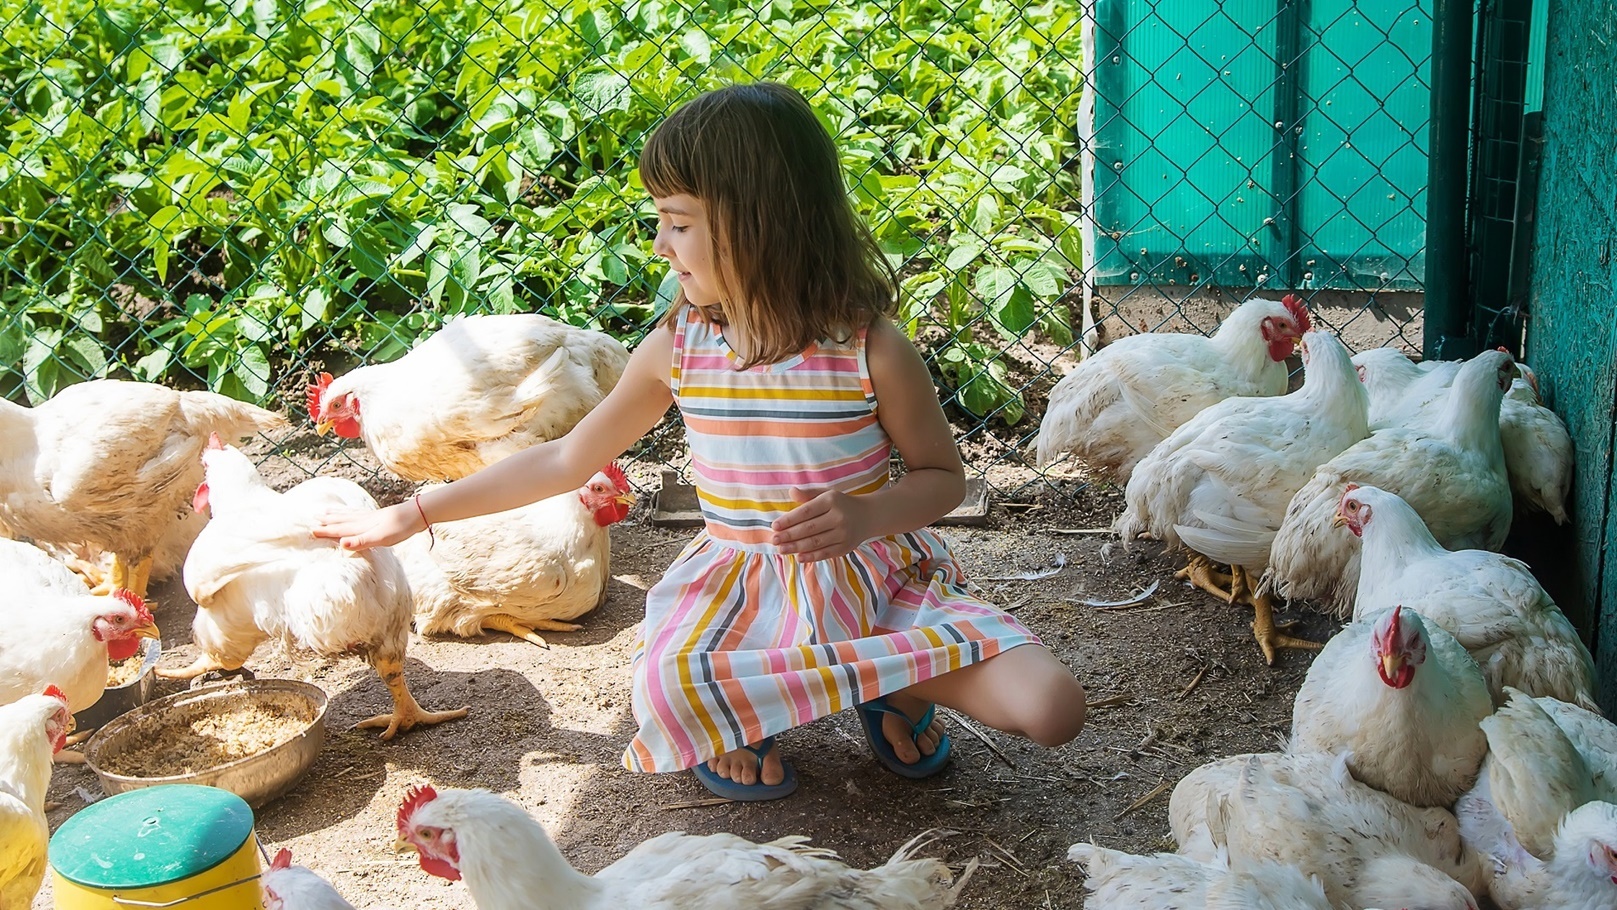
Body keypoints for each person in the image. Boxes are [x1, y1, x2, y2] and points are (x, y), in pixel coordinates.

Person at [314, 82, 1086, 800]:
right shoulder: (677, 347)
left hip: (869, 585)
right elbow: (562, 459)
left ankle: (885, 682)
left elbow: (939, 479)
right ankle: (813, 692)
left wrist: (864, 516)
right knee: (663, 688)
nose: (659, 246)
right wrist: (414, 514)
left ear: (761, 224)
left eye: (677, 223)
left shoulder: (870, 348)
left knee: (1049, 707)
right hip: (740, 593)